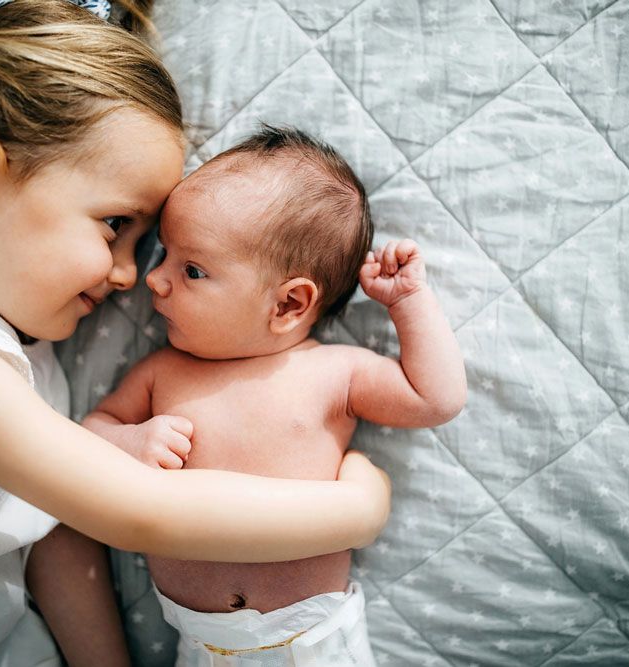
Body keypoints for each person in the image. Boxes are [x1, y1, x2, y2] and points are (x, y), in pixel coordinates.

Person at [0, 3, 392, 666]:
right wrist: (357, 511)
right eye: (115, 226)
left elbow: (53, 529)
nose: (131, 276)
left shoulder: (12, 339)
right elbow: (137, 510)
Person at [80, 125, 468, 666]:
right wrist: (130, 441)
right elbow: (89, 433)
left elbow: (436, 399)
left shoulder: (336, 372)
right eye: (164, 255)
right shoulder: (162, 373)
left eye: (192, 270)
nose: (156, 280)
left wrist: (409, 303)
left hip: (315, 642)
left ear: (288, 305)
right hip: (200, 646)